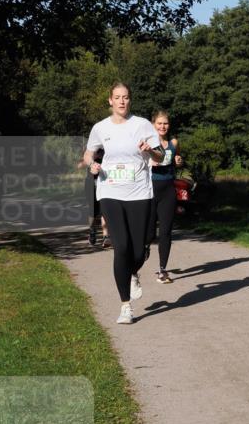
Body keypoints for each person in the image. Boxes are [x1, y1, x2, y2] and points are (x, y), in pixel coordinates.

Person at [84, 82, 165, 324]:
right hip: (110, 190)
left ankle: (132, 272)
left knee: (139, 250)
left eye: (126, 97)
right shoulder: (100, 127)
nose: (121, 101)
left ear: (130, 100)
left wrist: (150, 150)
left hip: (139, 192)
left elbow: (161, 156)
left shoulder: (142, 125)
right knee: (121, 247)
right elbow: (89, 152)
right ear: (110, 101)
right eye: (117, 97)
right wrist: (92, 164)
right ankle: (125, 306)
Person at [145, 110, 184, 283]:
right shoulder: (147, 143)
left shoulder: (173, 143)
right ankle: (145, 247)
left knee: (166, 231)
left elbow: (177, 158)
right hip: (150, 189)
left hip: (168, 189)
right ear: (153, 124)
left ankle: (162, 270)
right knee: (149, 232)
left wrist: (179, 160)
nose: (162, 126)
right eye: (159, 123)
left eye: (165, 123)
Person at [77, 146, 109, 246]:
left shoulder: (107, 148)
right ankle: (92, 232)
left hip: (105, 183)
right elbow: (79, 165)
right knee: (93, 211)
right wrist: (92, 159)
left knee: (105, 209)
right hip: (91, 184)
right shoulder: (90, 149)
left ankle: (106, 236)